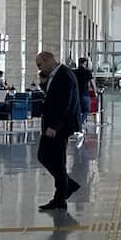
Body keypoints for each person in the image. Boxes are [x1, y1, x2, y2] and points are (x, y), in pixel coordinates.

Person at [34, 50, 82, 210]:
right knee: (55, 159)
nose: (39, 68)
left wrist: (54, 126)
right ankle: (62, 194)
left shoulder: (64, 75)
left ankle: (64, 190)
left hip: (59, 126)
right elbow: (53, 97)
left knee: (47, 157)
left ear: (48, 60)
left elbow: (64, 103)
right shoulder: (58, 74)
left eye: (40, 64)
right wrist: (43, 84)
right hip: (56, 124)